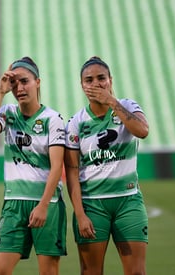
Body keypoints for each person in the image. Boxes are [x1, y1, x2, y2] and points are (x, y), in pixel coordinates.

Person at [0, 56, 67, 275]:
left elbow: (57, 167)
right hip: (14, 204)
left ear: (38, 82)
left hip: (48, 203)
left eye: (25, 81)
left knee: (48, 272)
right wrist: (0, 93)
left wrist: (43, 206)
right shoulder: (8, 113)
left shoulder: (52, 119)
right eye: (15, 83)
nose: (19, 88)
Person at [64, 56, 149, 275]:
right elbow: (72, 171)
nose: (96, 84)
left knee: (136, 272)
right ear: (82, 86)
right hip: (93, 206)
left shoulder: (126, 106)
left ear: (110, 80)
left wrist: (112, 102)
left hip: (128, 202)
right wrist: (80, 214)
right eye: (89, 80)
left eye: (101, 78)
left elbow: (142, 131)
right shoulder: (75, 122)